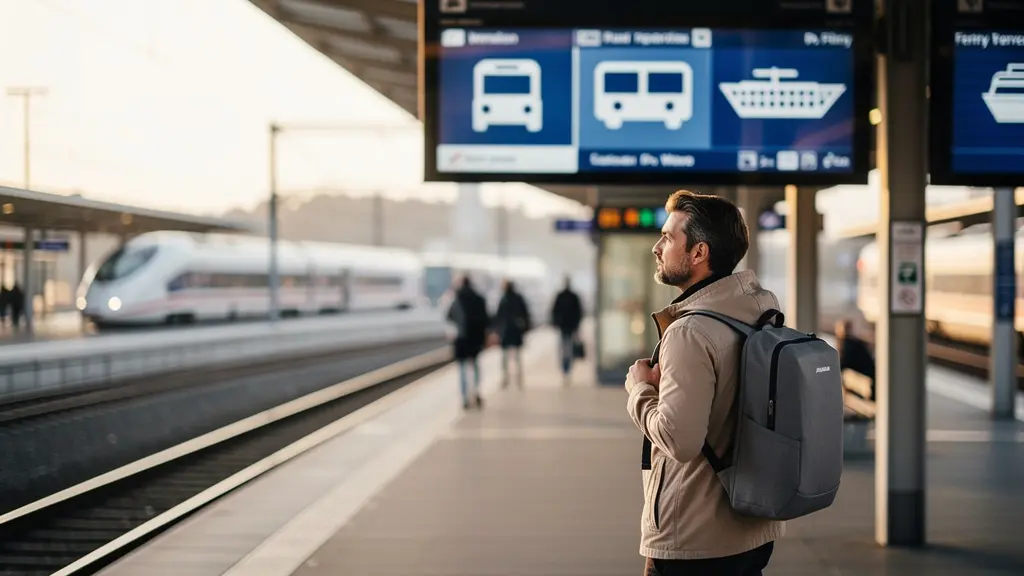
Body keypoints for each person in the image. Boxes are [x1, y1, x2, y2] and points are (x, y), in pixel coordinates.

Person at [624, 190, 782, 576]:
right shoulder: (758, 313)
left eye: (668, 237)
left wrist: (640, 390)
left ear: (699, 253)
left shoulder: (690, 332)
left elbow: (680, 440)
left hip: (694, 539)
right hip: (752, 527)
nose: (656, 248)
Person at [446, 276, 490, 409]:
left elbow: (449, 317)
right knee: (475, 365)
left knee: (462, 368)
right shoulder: (479, 299)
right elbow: (486, 320)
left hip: (462, 339)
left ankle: (465, 397)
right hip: (476, 339)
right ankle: (476, 391)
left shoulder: (456, 300)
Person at [493, 279, 531, 389]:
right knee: (517, 356)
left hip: (506, 331)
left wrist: (496, 330)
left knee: (505, 357)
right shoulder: (518, 298)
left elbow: (498, 316)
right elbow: (525, 314)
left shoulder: (503, 299)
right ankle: (519, 378)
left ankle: (506, 378)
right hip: (516, 331)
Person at [550, 276, 582, 385]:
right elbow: (579, 312)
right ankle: (567, 370)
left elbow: (554, 311)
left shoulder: (560, 296)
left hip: (563, 327)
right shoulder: (574, 297)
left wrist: (556, 323)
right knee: (568, 349)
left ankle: (565, 370)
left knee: (564, 349)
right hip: (570, 327)